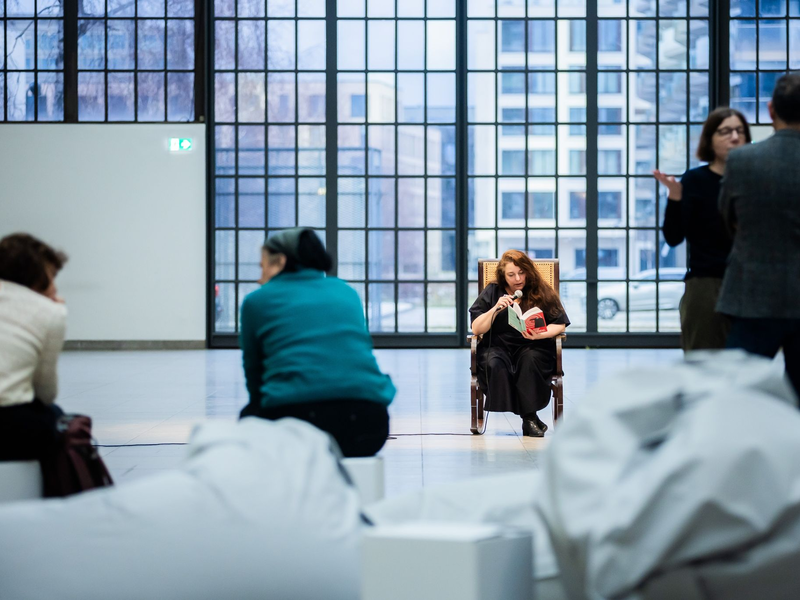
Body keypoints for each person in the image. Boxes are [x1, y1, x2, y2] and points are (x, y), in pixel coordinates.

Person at [239, 227, 396, 457]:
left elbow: (254, 374)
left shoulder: (257, 301)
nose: (259, 276)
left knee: (248, 421)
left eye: (262, 266)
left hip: (295, 423)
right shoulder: (346, 291)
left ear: (280, 261)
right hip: (369, 424)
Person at [716, 73, 800, 398]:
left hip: (754, 293)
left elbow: (727, 218)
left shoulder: (743, 160)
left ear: (770, 110)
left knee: (739, 397)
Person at [654, 107, 752, 351]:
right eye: (725, 131)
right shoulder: (695, 180)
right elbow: (673, 237)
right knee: (704, 364)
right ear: (710, 139)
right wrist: (675, 197)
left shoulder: (756, 178)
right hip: (706, 284)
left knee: (749, 370)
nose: (734, 137)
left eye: (740, 131)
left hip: (751, 282)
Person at [469, 250, 570, 437]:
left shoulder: (540, 290)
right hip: (499, 345)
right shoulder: (493, 291)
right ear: (503, 275)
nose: (518, 278)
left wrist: (539, 335)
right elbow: (476, 328)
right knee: (494, 363)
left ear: (528, 271)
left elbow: (560, 322)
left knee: (530, 362)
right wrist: (495, 309)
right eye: (511, 274)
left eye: (521, 272)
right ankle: (529, 417)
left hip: (533, 344)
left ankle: (529, 418)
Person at [0, 233, 68, 461]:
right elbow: (45, 393)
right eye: (51, 276)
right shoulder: (49, 312)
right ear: (36, 276)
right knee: (57, 417)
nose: (55, 287)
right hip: (8, 423)